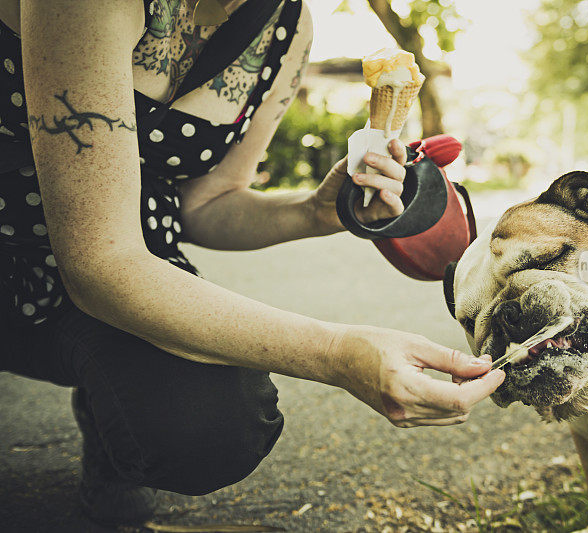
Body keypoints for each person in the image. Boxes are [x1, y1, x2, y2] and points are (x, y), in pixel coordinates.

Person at [0, 0, 505, 526]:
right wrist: (340, 354)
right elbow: (100, 264)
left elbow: (207, 205)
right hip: (57, 265)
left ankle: (109, 427)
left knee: (213, 425)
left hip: (137, 275)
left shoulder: (286, 28)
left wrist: (316, 210)